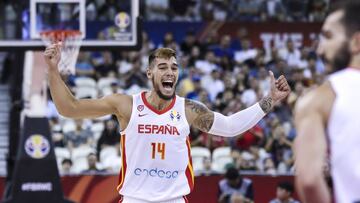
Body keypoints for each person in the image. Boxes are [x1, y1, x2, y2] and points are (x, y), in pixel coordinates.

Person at [44, 46, 290, 203]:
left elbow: (230, 127)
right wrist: (53, 71)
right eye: (162, 67)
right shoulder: (126, 105)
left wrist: (270, 100)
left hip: (173, 199)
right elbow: (70, 108)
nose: (170, 72)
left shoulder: (188, 109)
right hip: (134, 199)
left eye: (174, 67)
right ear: (150, 73)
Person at [294, 1, 360, 202]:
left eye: (328, 37)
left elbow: (309, 179)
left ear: (356, 42)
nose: (320, 50)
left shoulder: (320, 98)